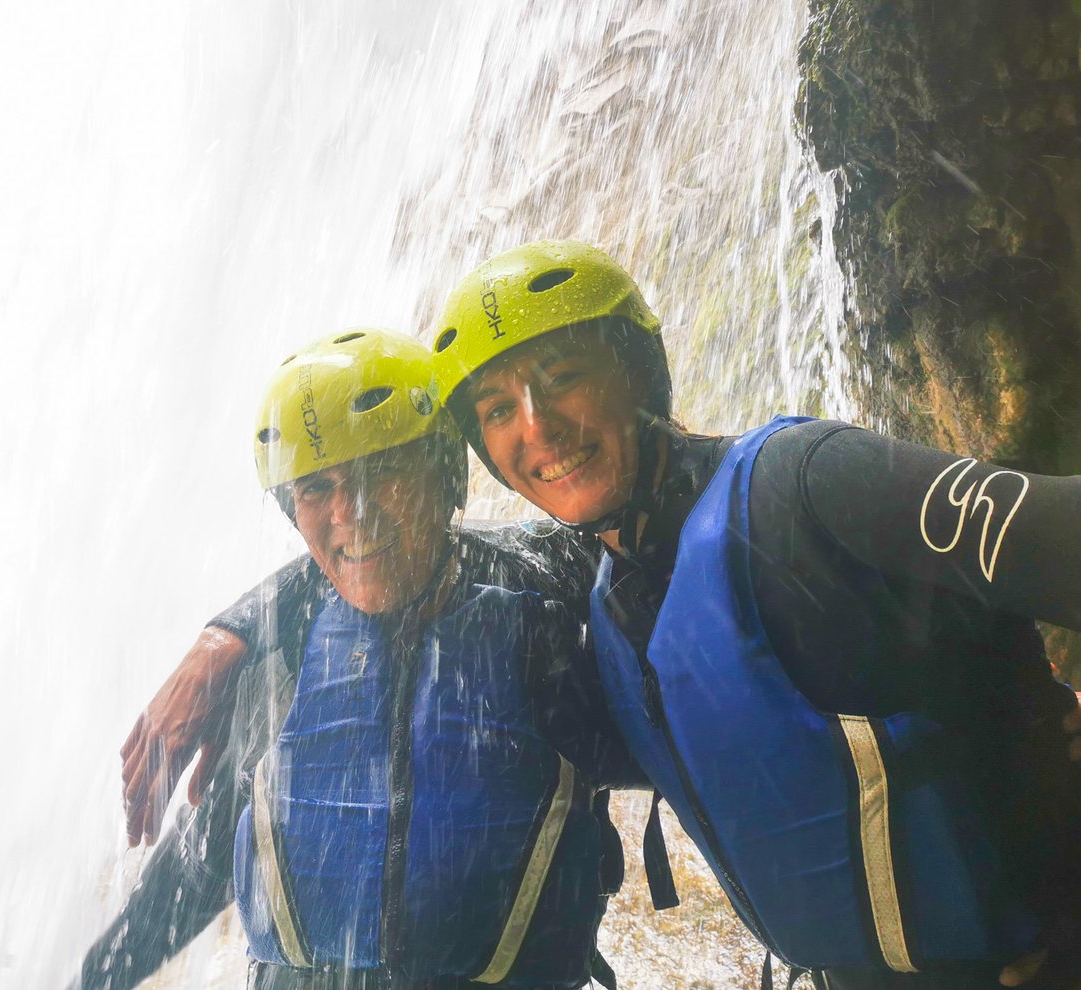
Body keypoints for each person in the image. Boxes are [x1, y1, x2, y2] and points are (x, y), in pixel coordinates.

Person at [123, 241, 1081, 990]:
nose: (536, 427)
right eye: (498, 407)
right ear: (482, 456)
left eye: (565, 374)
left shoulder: (806, 485)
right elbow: (380, 560)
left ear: (637, 371)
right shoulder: (602, 607)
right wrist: (232, 630)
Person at [78, 329, 637, 990]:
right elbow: (202, 863)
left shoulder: (548, 602)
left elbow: (652, 540)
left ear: (443, 473)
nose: (350, 512)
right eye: (315, 489)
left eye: (382, 468)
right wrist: (98, 976)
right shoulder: (280, 659)